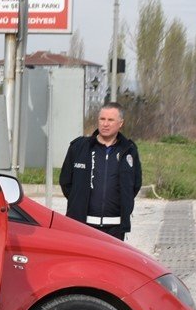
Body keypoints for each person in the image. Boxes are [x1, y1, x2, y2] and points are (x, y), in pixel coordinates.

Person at [59, 102, 142, 241]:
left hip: (115, 228)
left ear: (120, 123)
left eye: (110, 120)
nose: (105, 124)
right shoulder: (79, 147)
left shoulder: (129, 150)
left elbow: (135, 184)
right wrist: (78, 201)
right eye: (102, 119)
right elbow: (66, 182)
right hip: (83, 225)